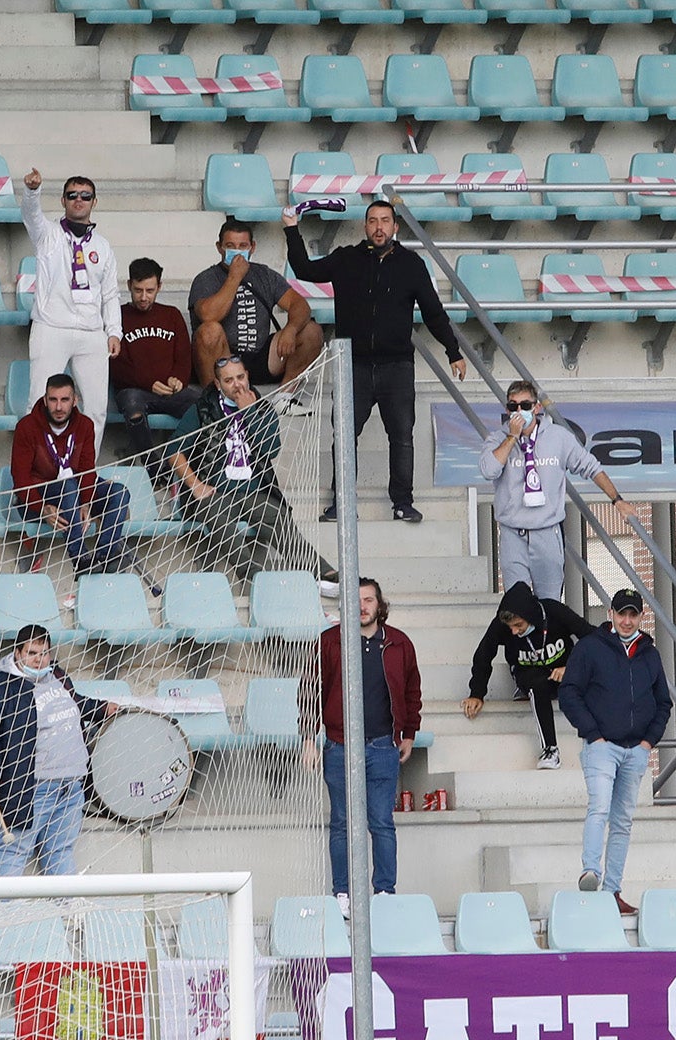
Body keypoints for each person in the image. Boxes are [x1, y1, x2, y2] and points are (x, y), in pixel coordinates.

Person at [283, 201, 465, 524]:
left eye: (385, 221)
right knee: (344, 435)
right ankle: (341, 504)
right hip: (352, 365)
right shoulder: (345, 259)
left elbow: (434, 313)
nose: (379, 227)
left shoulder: (412, 264)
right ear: (364, 227)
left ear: (396, 227)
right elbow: (304, 270)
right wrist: (291, 228)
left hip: (397, 365)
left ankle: (403, 503)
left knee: (402, 435)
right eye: (372, 221)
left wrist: (453, 351)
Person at [300, 579, 422, 919]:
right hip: (339, 746)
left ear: (379, 604)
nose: (362, 606)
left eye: (369, 599)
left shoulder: (399, 643)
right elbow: (309, 690)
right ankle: (343, 893)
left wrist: (409, 733)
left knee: (381, 822)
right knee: (341, 822)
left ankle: (384, 892)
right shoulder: (329, 642)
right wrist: (310, 737)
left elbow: (412, 690)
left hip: (383, 746)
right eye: (356, 600)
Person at [167, 354, 339, 594]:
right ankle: (254, 576)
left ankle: (323, 574)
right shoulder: (203, 409)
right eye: (228, 381)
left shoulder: (263, 408)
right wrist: (195, 485)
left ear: (248, 375)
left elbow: (271, 450)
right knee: (221, 519)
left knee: (279, 520)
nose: (237, 384)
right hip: (214, 492)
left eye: (240, 377)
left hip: (253, 492)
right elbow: (174, 451)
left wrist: (249, 413)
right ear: (218, 384)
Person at [0, 625, 118, 877]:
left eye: (44, 653)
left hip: (71, 785)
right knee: (14, 850)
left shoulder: (57, 676)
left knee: (61, 849)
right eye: (32, 653)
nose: (39, 659)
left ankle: (68, 912)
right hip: (33, 787)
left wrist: (101, 708)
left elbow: (74, 703)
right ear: (17, 653)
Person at [558, 588, 671, 914]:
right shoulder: (591, 648)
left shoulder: (649, 653)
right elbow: (569, 693)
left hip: (635, 750)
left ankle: (613, 891)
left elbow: (663, 702)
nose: (626, 620)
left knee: (622, 821)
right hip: (601, 748)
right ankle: (590, 871)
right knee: (600, 807)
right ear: (610, 613)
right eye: (621, 613)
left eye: (632, 614)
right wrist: (593, 735)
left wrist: (649, 741)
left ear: (641, 616)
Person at [479, 380, 637, 600]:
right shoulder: (497, 439)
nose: (519, 411)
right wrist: (512, 436)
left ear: (537, 408)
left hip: (547, 532)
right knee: (518, 604)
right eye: (513, 406)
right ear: (507, 409)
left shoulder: (558, 437)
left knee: (550, 603)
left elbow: (591, 467)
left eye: (525, 406)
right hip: (512, 532)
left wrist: (617, 500)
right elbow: (489, 470)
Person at [21, 168, 121, 456]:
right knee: (39, 401)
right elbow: (30, 215)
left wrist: (114, 331)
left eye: (85, 196)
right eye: (72, 195)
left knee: (95, 408)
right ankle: (37, 472)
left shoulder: (102, 246)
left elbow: (110, 294)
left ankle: (82, 470)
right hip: (51, 327)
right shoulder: (47, 234)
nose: (79, 200)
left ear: (94, 202)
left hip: (91, 332)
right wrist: (32, 191)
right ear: (63, 200)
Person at [188, 217, 322, 414]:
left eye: (243, 245)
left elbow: (299, 305)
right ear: (219, 247)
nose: (237, 250)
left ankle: (284, 397)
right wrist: (235, 277)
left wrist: (291, 330)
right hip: (224, 360)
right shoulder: (205, 279)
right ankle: (216, 404)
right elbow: (209, 315)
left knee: (311, 330)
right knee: (209, 331)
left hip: (262, 357)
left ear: (252, 247)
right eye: (230, 246)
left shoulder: (264, 275)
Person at [462, 581, 595, 770]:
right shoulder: (501, 625)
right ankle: (550, 749)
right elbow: (484, 653)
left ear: (531, 616)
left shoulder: (553, 611)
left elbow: (593, 637)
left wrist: (572, 668)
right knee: (536, 684)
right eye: (510, 627)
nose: (514, 631)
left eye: (518, 625)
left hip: (564, 673)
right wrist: (476, 693)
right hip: (528, 674)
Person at [12, 372, 132, 573]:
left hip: (73, 493)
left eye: (65, 400)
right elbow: (21, 480)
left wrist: (86, 501)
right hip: (37, 501)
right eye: (53, 400)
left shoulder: (85, 425)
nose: (58, 407)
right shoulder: (27, 427)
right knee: (69, 485)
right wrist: (42, 508)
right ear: (45, 400)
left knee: (119, 492)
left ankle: (105, 555)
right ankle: (81, 560)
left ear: (75, 400)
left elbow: (87, 469)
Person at [114, 257, 199, 462]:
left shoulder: (171, 315)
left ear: (159, 287)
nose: (143, 297)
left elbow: (184, 357)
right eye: (138, 290)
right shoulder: (118, 315)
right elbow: (116, 365)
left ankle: (182, 461)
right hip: (135, 390)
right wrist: (149, 384)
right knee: (132, 404)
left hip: (170, 391)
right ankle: (153, 467)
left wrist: (178, 378)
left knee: (202, 406)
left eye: (150, 291)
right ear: (129, 285)